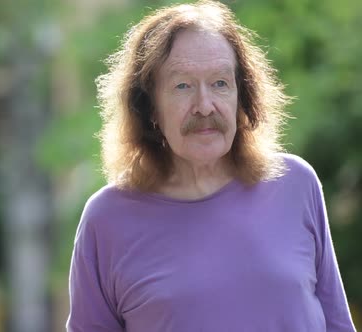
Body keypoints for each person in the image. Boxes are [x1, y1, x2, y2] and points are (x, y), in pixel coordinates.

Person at [66, 1, 356, 331]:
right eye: (182, 86)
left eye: (220, 83)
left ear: (241, 97)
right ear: (150, 108)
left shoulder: (295, 184)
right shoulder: (106, 220)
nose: (205, 106)